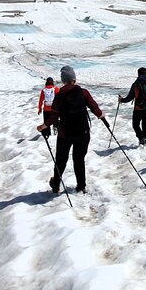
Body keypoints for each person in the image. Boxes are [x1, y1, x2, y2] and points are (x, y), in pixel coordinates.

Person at [50, 65, 105, 194]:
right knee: (79, 159)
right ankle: (81, 186)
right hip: (82, 132)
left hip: (65, 134)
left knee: (61, 159)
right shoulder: (83, 92)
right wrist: (100, 115)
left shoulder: (60, 95)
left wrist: (44, 126)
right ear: (74, 79)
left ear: (63, 80)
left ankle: (56, 184)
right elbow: (93, 106)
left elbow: (54, 115)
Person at [119, 67, 146, 145]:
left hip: (138, 108)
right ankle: (145, 140)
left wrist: (121, 100)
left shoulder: (136, 84)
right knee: (145, 124)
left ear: (138, 74)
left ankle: (141, 138)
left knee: (135, 124)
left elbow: (129, 98)